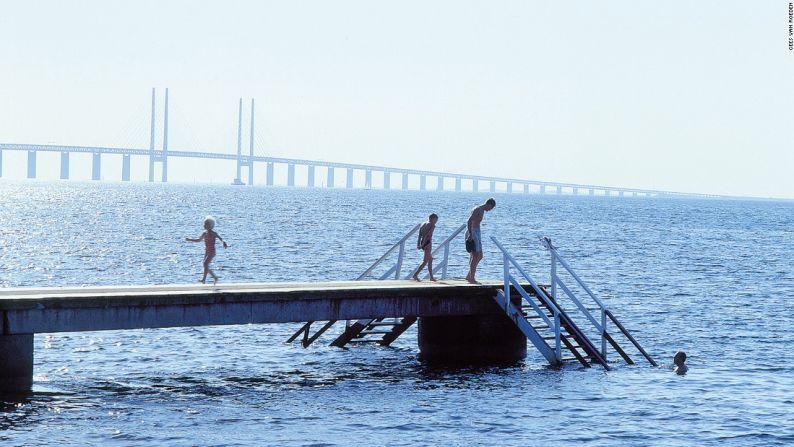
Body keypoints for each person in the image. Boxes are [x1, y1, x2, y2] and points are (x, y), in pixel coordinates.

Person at [186, 215, 228, 284]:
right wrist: (189, 239)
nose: (204, 225)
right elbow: (198, 240)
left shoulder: (213, 233)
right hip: (207, 251)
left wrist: (224, 242)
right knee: (205, 265)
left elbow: (221, 238)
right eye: (204, 223)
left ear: (210, 225)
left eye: (206, 224)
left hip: (212, 251)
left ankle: (204, 280)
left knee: (205, 264)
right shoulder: (204, 233)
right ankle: (214, 278)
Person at [465, 198, 496, 284]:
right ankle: (471, 278)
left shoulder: (482, 211)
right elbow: (469, 221)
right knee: (475, 255)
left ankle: (469, 275)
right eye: (491, 208)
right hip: (473, 231)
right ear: (488, 204)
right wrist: (470, 234)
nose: (490, 210)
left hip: (477, 232)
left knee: (480, 255)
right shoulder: (477, 209)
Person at [413, 213, 438, 281]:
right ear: (433, 219)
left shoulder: (423, 224)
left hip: (423, 242)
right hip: (427, 243)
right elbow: (428, 236)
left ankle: (431, 277)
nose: (436, 222)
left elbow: (419, 235)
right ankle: (415, 275)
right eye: (436, 220)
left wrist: (419, 244)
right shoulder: (432, 225)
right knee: (425, 261)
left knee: (430, 260)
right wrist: (423, 245)